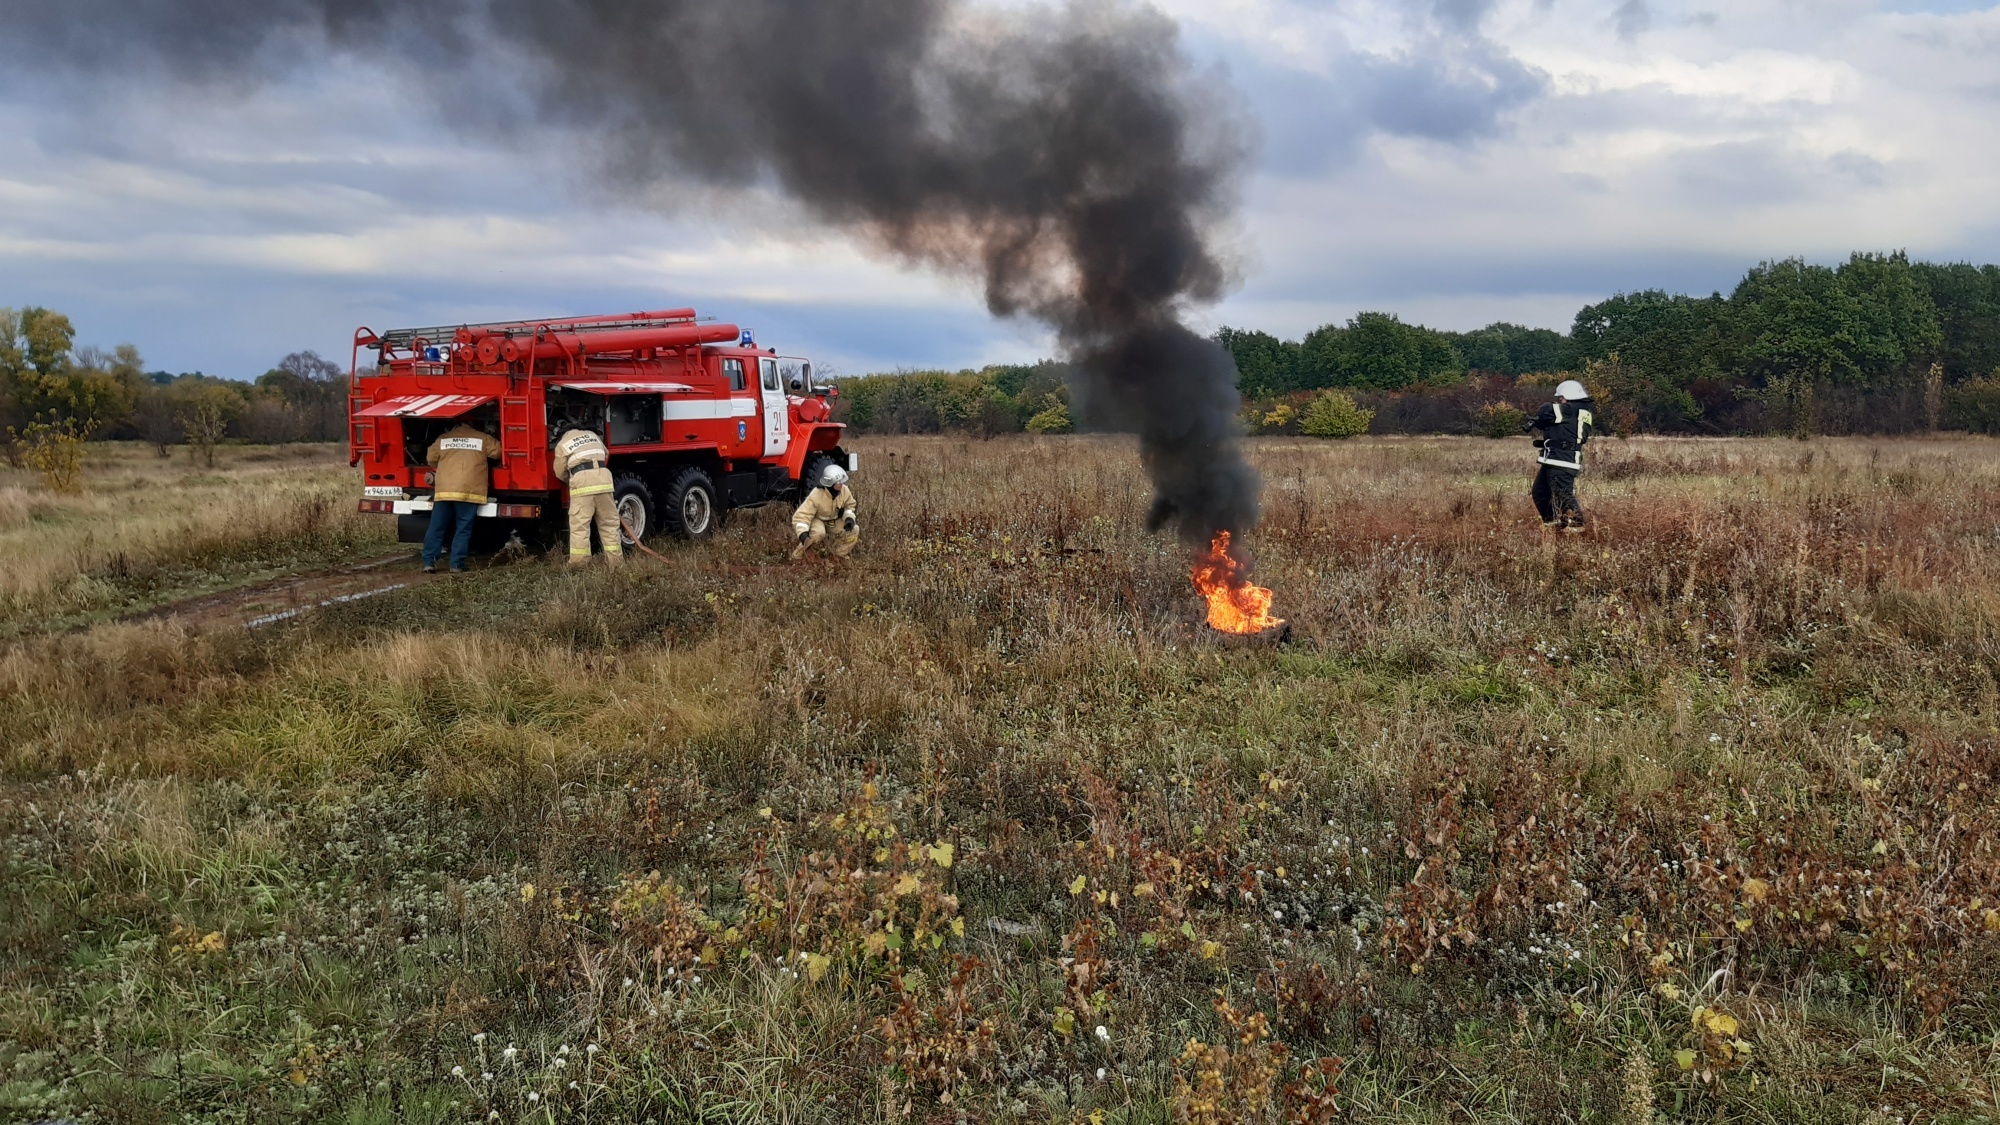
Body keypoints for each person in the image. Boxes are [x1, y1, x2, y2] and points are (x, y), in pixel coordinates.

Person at [421, 419, 500, 572]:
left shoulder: (444, 438)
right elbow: (498, 452)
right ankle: (456, 564)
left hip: (444, 491)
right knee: (463, 529)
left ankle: (429, 562)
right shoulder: (482, 438)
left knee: (437, 528)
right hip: (469, 492)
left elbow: (431, 458)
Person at [1525, 379, 1594, 532]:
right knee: (1540, 491)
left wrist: (1541, 416)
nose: (1560, 401)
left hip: (1563, 460)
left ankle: (1578, 525)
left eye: (1561, 398)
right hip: (1555, 458)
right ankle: (1554, 523)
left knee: (1562, 493)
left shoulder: (1571, 409)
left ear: (1569, 396)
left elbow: (1547, 411)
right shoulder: (1579, 411)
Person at [552, 424, 621, 565]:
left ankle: (579, 564)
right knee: (609, 524)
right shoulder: (593, 436)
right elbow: (606, 454)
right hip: (604, 480)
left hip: (582, 482)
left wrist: (571, 479)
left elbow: (559, 471)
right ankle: (616, 563)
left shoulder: (563, 443)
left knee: (580, 526)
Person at [791, 463, 858, 560]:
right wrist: (803, 535)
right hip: (817, 520)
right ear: (830, 483)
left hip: (833, 521)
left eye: (841, 481)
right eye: (837, 482)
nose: (841, 484)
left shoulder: (844, 490)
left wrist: (849, 519)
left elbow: (850, 506)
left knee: (854, 530)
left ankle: (837, 557)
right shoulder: (816, 495)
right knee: (818, 533)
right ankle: (797, 557)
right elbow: (801, 517)